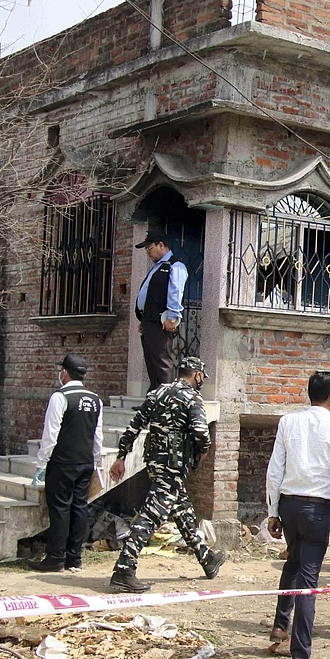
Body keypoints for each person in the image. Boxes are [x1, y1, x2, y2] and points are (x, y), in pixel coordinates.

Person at [107, 356, 225, 592]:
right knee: (151, 516)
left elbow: (135, 425)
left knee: (182, 511)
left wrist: (121, 456)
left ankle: (206, 559)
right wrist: (203, 452)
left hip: (154, 463)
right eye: (201, 377)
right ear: (197, 375)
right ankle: (124, 569)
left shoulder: (158, 392)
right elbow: (201, 433)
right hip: (174, 466)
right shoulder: (192, 398)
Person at [265, 371, 330, 659]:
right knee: (308, 579)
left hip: (289, 503)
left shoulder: (288, 421)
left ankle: (279, 624)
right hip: (318, 509)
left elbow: (275, 469)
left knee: (295, 561)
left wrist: (273, 510)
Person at [28, 354, 104, 573]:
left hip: (62, 462)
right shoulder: (95, 399)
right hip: (85, 462)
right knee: (80, 506)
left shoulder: (60, 397)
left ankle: (55, 557)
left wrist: (42, 463)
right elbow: (97, 435)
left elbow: (50, 434)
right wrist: (96, 461)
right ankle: (75, 556)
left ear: (64, 372)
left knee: (60, 507)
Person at [134, 229, 189, 391]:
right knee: (151, 362)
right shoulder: (157, 267)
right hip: (149, 321)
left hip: (162, 321)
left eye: (149, 248)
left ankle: (167, 399)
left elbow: (175, 292)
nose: (148, 252)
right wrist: (143, 319)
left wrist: (172, 317)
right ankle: (154, 399)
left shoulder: (175, 265)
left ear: (161, 245)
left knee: (163, 362)